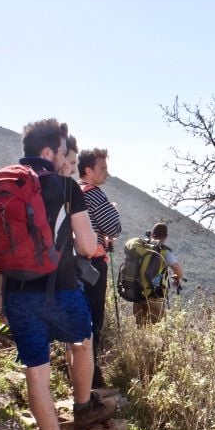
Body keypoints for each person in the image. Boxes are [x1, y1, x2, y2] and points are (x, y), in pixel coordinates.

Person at [0, 118, 113, 430]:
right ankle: (82, 406)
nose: (65, 158)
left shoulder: (1, 186)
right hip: (60, 290)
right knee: (83, 340)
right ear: (48, 152)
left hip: (16, 292)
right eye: (62, 152)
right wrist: (91, 245)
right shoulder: (66, 187)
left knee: (36, 374)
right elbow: (88, 246)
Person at [77, 147, 122, 387]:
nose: (107, 173)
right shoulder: (94, 194)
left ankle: (78, 372)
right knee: (95, 318)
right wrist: (112, 211)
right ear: (88, 170)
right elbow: (113, 228)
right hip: (94, 263)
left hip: (74, 263)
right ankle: (93, 377)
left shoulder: (73, 191)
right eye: (102, 168)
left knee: (80, 315)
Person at [133, 222, 184, 326]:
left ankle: (142, 342)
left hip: (137, 292)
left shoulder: (141, 247)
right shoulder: (164, 252)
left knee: (140, 327)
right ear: (166, 237)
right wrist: (177, 277)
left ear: (152, 233)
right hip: (155, 295)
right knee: (156, 327)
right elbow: (178, 270)